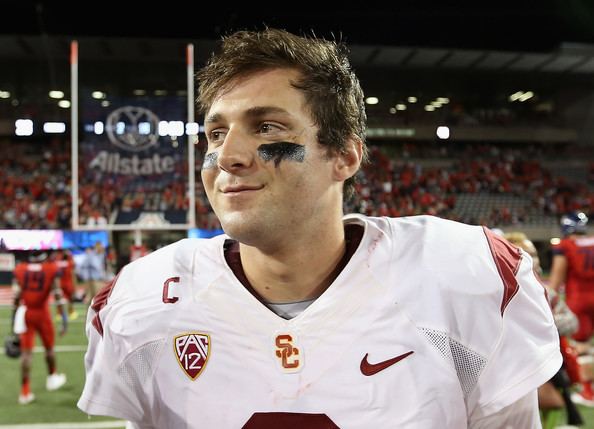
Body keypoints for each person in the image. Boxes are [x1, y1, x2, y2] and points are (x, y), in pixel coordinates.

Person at [78, 28, 561, 428]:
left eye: (267, 127)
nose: (226, 156)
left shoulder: (461, 277)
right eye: (216, 133)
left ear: (345, 156)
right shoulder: (144, 301)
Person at [505, 231, 582, 427]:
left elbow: (572, 321)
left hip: (546, 363)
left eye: (534, 254)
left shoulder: (546, 292)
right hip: (513, 367)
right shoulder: (501, 293)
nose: (533, 260)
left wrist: (544, 323)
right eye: (524, 253)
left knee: (555, 403)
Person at [549, 211, 594, 406]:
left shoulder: (566, 246)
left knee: (581, 346)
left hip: (579, 300)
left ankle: (587, 391)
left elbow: (556, 280)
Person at [12, 251, 68, 405]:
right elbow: (57, 294)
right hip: (42, 314)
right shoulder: (50, 268)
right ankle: (52, 378)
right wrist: (64, 319)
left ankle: (24, 392)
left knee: (26, 354)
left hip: (26, 312)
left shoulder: (21, 268)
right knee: (49, 349)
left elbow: (16, 296)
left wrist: (13, 321)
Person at [53, 249, 78, 320]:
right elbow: (73, 273)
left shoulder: (64, 259)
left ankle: (68, 312)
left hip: (65, 282)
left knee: (69, 298)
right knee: (60, 298)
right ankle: (62, 312)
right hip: (63, 282)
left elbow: (72, 273)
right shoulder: (60, 259)